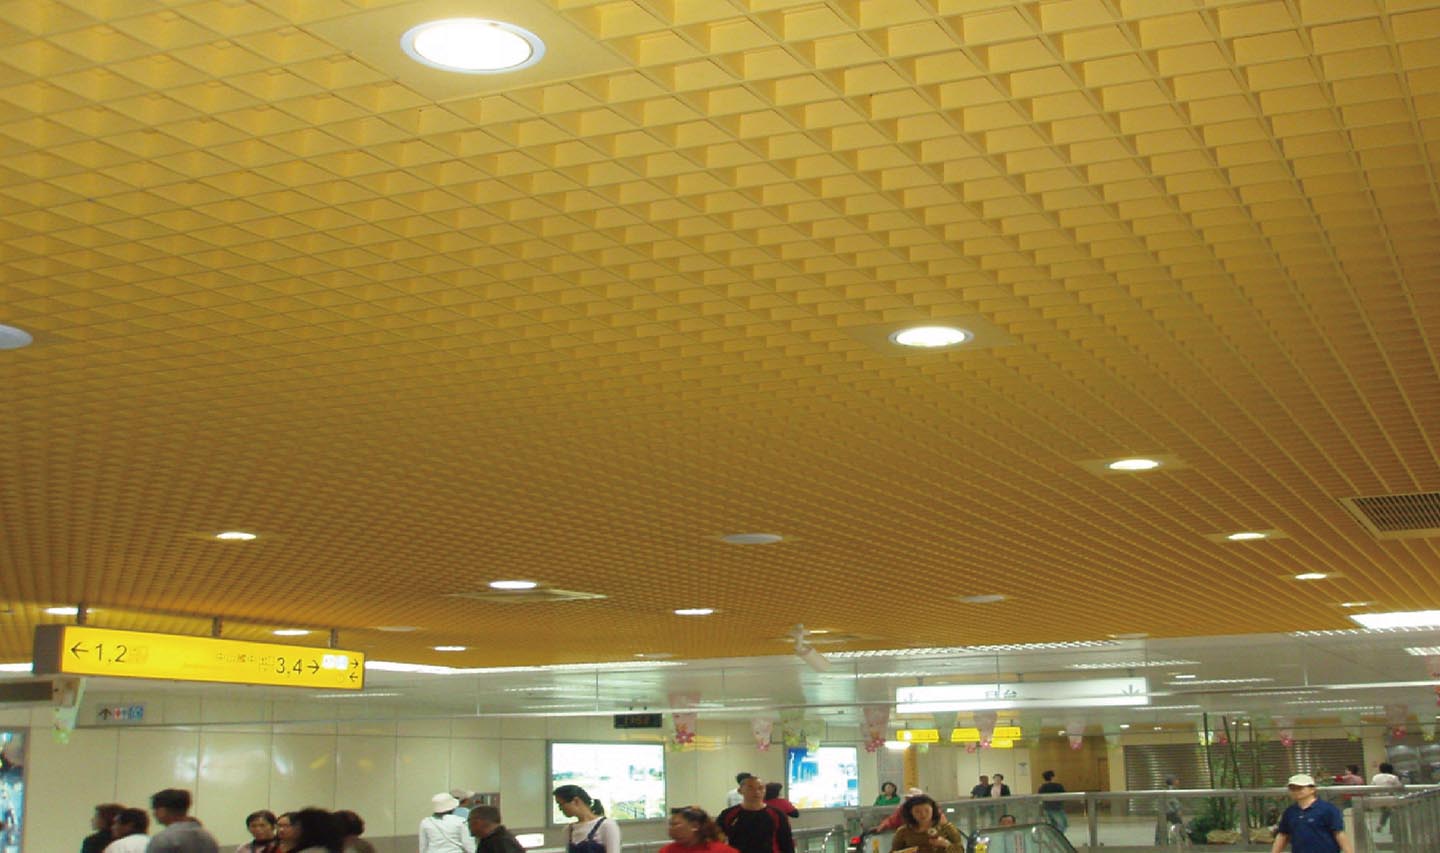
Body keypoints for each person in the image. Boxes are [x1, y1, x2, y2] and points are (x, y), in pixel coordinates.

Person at [1271, 774, 1352, 853]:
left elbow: (1339, 834)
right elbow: (1283, 835)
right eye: (1292, 788)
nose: (1295, 791)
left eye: (1300, 788)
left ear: (1312, 789)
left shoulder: (1327, 809)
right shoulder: (1290, 812)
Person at [717, 777, 794, 853]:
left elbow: (787, 843)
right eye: (750, 788)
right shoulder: (729, 814)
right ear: (740, 791)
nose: (757, 792)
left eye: (760, 788)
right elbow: (716, 839)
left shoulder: (777, 814)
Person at [147, 788, 220, 853]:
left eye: (155, 809)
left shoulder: (163, 840)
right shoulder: (208, 838)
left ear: (162, 811)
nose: (154, 814)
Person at [554, 785, 619, 853]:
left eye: (561, 804)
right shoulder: (569, 830)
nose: (560, 809)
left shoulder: (607, 825)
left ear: (576, 801)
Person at [889, 794, 964, 853]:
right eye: (917, 811)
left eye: (927, 810)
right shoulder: (903, 831)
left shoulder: (946, 828)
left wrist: (945, 844)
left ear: (933, 810)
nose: (923, 814)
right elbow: (893, 851)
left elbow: (960, 850)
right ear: (910, 813)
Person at [661, 806, 737, 853]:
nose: (671, 829)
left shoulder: (723, 851)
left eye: (675, 824)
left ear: (695, 826)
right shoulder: (667, 850)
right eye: (670, 825)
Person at [1369, 762, 1401, 832]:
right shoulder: (1393, 777)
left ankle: (1383, 825)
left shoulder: (1375, 777)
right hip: (1389, 798)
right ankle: (1390, 827)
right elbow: (1399, 786)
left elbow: (1371, 787)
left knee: (1386, 812)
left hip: (1378, 798)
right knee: (1391, 812)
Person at [1155, 776, 1183, 847]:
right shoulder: (1172, 789)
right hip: (1171, 812)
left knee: (1160, 827)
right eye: (1176, 780)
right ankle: (1183, 839)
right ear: (1173, 781)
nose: (1178, 781)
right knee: (1179, 825)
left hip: (1164, 811)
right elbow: (1174, 801)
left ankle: (1159, 842)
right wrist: (1177, 809)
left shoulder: (1164, 789)